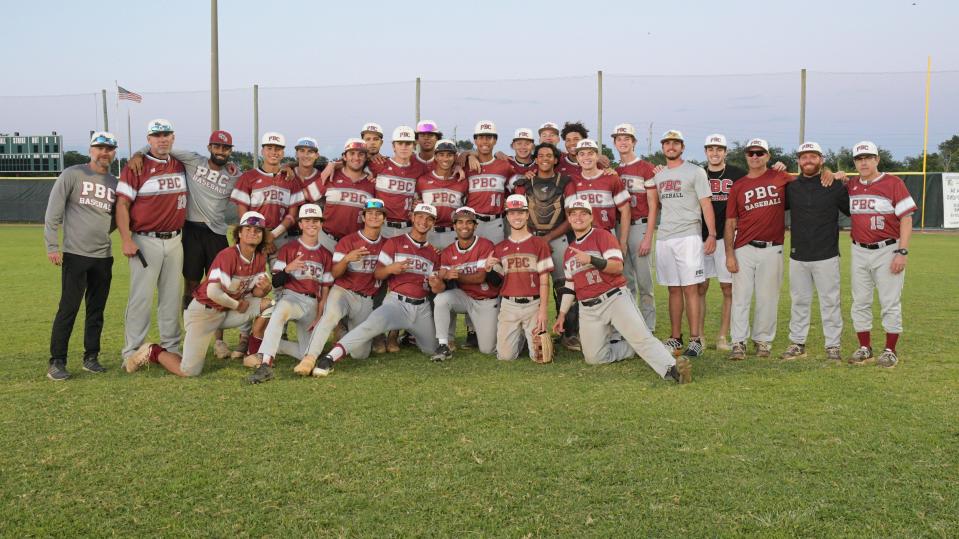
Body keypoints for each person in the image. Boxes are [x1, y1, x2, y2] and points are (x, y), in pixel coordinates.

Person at [128, 129, 242, 359]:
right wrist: (138, 154)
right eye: (217, 147)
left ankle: (219, 341)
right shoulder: (192, 159)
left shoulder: (234, 173)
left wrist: (289, 167)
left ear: (230, 151)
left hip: (216, 233)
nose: (221, 152)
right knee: (190, 285)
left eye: (226, 148)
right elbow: (161, 147)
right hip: (190, 230)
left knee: (218, 286)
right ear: (209, 147)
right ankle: (191, 335)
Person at [553, 200, 691, 383]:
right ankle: (638, 348)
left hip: (614, 298)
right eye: (574, 214)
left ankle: (672, 370)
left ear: (591, 216)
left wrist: (592, 260)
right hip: (588, 309)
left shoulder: (602, 236)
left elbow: (617, 266)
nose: (578, 217)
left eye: (583, 213)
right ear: (569, 218)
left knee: (641, 337)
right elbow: (571, 285)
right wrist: (562, 314)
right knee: (594, 358)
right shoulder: (569, 253)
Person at [123, 212, 273, 376]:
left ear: (263, 236)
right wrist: (238, 305)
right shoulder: (228, 255)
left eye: (258, 230)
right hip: (204, 312)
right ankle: (153, 351)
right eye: (248, 228)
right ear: (239, 233)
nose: (253, 233)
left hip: (227, 312)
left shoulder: (258, 258)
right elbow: (213, 291)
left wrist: (265, 288)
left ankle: (253, 354)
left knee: (269, 305)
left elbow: (257, 291)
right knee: (189, 371)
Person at [311, 204, 442, 376]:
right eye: (419, 216)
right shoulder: (395, 242)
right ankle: (328, 358)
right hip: (396, 303)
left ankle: (407, 336)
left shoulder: (433, 253)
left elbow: (439, 287)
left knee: (432, 349)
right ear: (412, 217)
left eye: (428, 218)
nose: (423, 221)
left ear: (433, 223)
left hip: (421, 308)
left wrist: (437, 284)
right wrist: (390, 269)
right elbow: (378, 274)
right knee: (369, 326)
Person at [44, 132, 119, 380]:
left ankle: (91, 357)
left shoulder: (115, 183)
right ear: (90, 150)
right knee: (68, 308)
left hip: (103, 256)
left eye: (109, 149)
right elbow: (53, 212)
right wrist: (52, 246)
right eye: (99, 148)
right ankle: (57, 361)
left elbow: (116, 220)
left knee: (96, 310)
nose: (104, 153)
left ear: (114, 153)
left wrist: (100, 233)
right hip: (75, 254)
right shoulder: (73, 174)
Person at [116, 119, 188, 366]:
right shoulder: (136, 167)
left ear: (173, 137)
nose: (162, 139)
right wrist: (126, 239)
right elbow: (122, 205)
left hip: (175, 239)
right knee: (141, 298)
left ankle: (171, 347)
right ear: (148, 140)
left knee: (170, 297)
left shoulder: (180, 164)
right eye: (156, 135)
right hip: (146, 240)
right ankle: (132, 351)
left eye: (166, 134)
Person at [296, 199, 388, 375]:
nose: (374, 217)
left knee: (360, 354)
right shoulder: (349, 240)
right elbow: (336, 273)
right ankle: (309, 359)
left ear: (384, 219)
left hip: (366, 298)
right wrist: (347, 259)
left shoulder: (387, 244)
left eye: (378, 214)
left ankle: (342, 332)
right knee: (329, 318)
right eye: (370, 214)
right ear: (363, 217)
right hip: (343, 291)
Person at [846, 141, 915, 368]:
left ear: (877, 159)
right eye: (859, 158)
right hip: (859, 249)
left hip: (887, 249)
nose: (863, 162)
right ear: (855, 162)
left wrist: (902, 251)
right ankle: (865, 347)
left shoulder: (893, 183)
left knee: (890, 302)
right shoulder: (852, 184)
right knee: (860, 301)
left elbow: (906, 218)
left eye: (868, 157)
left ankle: (890, 350)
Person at [246, 204, 333, 383]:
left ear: (321, 224)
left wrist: (320, 312)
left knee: (305, 353)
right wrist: (288, 268)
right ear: (300, 224)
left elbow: (325, 288)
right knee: (279, 314)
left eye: (315, 221)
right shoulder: (288, 249)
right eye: (307, 220)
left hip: (312, 304)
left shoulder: (325, 254)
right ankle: (266, 365)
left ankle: (266, 343)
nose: (311, 224)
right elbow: (276, 281)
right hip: (291, 297)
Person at [781, 142, 850, 361]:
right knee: (799, 301)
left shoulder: (834, 185)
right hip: (798, 253)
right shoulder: (791, 187)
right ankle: (797, 343)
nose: (808, 160)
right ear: (799, 161)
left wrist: (842, 178)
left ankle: (833, 345)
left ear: (821, 159)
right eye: (803, 157)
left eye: (812, 156)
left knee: (830, 301)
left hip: (826, 254)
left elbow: (850, 209)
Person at [650, 130, 717, 358]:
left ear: (682, 147)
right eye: (667, 143)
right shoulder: (659, 175)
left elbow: (706, 204)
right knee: (673, 289)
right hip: (665, 237)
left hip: (689, 236)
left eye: (675, 143)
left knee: (691, 288)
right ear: (663, 148)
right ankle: (675, 338)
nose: (671, 147)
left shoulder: (695, 171)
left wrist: (711, 235)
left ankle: (696, 339)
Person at [724, 138, 792, 360]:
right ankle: (739, 342)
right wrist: (729, 254)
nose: (755, 156)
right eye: (751, 153)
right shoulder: (739, 185)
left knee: (767, 297)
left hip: (773, 247)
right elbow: (730, 222)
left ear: (768, 156)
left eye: (760, 152)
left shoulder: (780, 177)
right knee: (741, 297)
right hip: (744, 247)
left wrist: (833, 173)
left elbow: (809, 182)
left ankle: (763, 341)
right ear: (746, 156)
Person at [512, 142, 579, 350]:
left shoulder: (566, 181)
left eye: (549, 155)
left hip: (558, 238)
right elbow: (518, 216)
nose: (544, 159)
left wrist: (547, 238)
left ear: (556, 159)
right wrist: (535, 239)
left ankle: (569, 333)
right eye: (540, 155)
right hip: (531, 239)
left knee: (564, 285)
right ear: (536, 158)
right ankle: (527, 334)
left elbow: (571, 217)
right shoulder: (524, 183)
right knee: (527, 286)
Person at [487, 194, 553, 361]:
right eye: (512, 213)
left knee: (541, 357)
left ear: (527, 214)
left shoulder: (539, 243)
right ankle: (521, 337)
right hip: (509, 306)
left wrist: (543, 311)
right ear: (507, 216)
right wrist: (488, 268)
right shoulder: (500, 247)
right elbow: (494, 282)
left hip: (533, 305)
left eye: (520, 212)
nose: (516, 217)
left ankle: (527, 337)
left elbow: (544, 280)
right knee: (504, 357)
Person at [695, 134, 745, 351]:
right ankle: (700, 336)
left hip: (727, 237)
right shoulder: (696, 173)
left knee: (728, 288)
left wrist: (779, 167)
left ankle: (723, 336)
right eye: (710, 149)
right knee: (700, 287)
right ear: (705, 151)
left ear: (725, 152)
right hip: (700, 236)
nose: (715, 153)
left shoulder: (737, 174)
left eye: (719, 149)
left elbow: (762, 176)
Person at [430, 207, 500, 360]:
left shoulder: (485, 245)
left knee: (488, 349)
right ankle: (443, 344)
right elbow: (442, 281)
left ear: (475, 226)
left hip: (485, 300)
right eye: (460, 222)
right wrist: (442, 278)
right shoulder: (448, 252)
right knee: (441, 299)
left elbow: (480, 277)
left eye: (469, 223)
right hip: (464, 298)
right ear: (454, 226)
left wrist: (456, 276)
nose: (464, 226)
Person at [612, 123, 658, 332]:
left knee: (645, 282)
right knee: (626, 280)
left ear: (634, 142)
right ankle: (633, 326)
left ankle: (648, 327)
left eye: (627, 138)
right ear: (614, 143)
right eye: (619, 139)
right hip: (620, 226)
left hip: (640, 226)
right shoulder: (614, 171)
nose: (623, 142)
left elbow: (653, 205)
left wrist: (648, 236)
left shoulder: (645, 167)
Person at [231, 132, 302, 254]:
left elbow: (292, 216)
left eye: (278, 149)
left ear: (283, 153)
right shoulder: (248, 177)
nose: (274, 152)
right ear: (262, 151)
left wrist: (272, 235)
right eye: (269, 148)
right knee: (249, 272)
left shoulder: (291, 179)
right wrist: (263, 235)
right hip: (252, 234)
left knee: (281, 272)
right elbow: (243, 213)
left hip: (280, 236)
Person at [302, 139, 376, 252]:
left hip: (356, 242)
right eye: (352, 153)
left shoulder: (372, 183)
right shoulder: (330, 176)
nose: (356, 157)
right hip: (327, 239)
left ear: (366, 157)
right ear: (344, 157)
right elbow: (306, 196)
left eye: (361, 154)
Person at [369, 126, 426, 239]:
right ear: (393, 146)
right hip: (382, 226)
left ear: (414, 146)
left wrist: (418, 202)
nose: (404, 147)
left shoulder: (420, 169)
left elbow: (421, 194)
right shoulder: (379, 164)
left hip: (407, 228)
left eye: (408, 143)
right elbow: (352, 165)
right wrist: (333, 164)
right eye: (400, 143)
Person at [465, 121, 512, 243]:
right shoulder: (465, 166)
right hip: (472, 221)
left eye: (489, 137)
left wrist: (510, 203)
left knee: (495, 259)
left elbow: (518, 188)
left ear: (495, 140)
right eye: (481, 137)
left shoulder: (504, 165)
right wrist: (468, 154)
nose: (485, 141)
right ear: (475, 140)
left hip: (496, 222)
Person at [417, 139, 468, 250]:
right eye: (441, 155)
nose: (445, 159)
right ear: (435, 157)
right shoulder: (423, 180)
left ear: (455, 157)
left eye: (449, 155)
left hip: (453, 233)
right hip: (429, 232)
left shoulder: (462, 181)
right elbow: (415, 203)